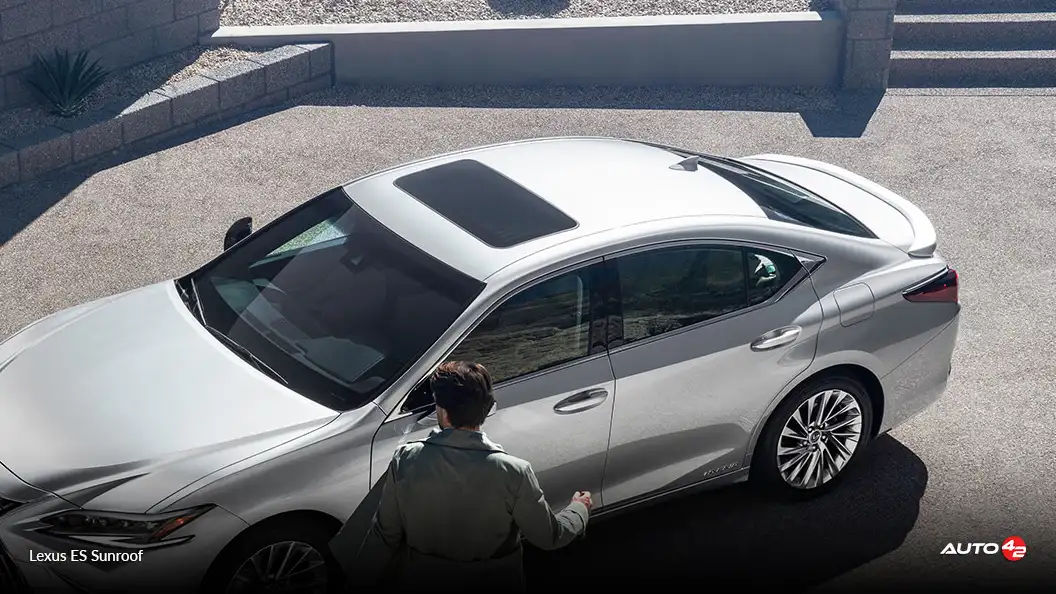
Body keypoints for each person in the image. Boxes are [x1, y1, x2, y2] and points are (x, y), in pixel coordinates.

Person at [350, 360, 592, 592]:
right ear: (486, 410)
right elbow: (549, 537)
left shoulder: (405, 460)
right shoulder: (514, 472)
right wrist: (578, 510)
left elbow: (384, 536)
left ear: (443, 412)